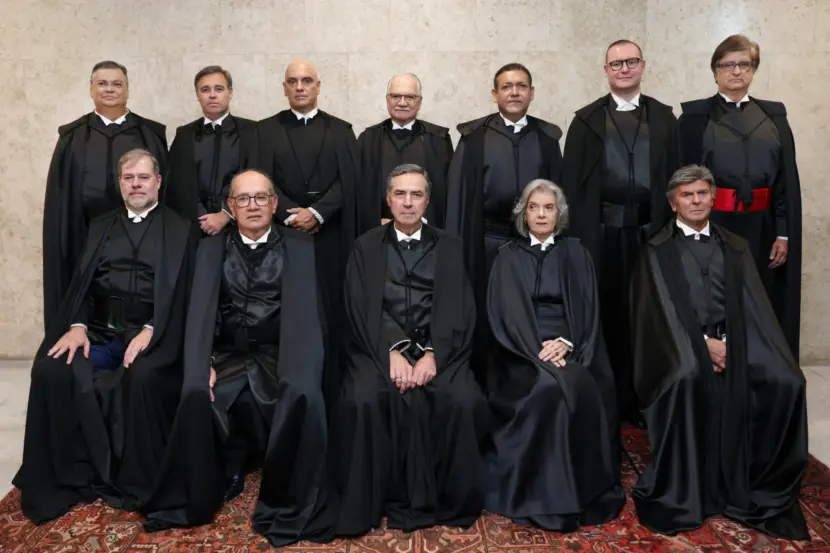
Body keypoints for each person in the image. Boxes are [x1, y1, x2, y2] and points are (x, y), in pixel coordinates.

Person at [142, 170, 335, 546]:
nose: (253, 206)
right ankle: (211, 481)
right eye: (243, 199)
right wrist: (203, 365)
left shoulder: (301, 247)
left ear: (274, 204)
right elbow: (199, 316)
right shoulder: (210, 250)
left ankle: (285, 491)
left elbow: (313, 318)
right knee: (195, 393)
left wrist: (301, 365)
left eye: (261, 197)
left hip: (281, 353)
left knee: (303, 394)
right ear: (230, 206)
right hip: (227, 354)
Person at [15, 149, 198, 523]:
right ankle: (67, 474)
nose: (136, 185)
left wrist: (152, 329)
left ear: (158, 182)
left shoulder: (181, 229)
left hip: (153, 334)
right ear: (119, 183)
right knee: (51, 368)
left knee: (144, 377)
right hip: (99, 333)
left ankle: (136, 480)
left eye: (143, 177)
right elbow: (81, 287)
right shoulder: (100, 226)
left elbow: (186, 295)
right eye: (128, 178)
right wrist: (78, 326)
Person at [630, 165, 808, 540]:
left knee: (786, 379)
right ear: (673, 203)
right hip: (680, 344)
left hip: (735, 341)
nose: (695, 201)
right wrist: (702, 346)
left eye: (701, 193)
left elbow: (754, 310)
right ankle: (689, 486)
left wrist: (732, 347)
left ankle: (759, 479)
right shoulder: (656, 251)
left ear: (713, 198)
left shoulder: (735, 246)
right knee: (685, 377)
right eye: (687, 195)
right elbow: (658, 318)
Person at [333, 164, 490, 535]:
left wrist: (433, 354)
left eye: (416, 194)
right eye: (400, 194)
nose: (407, 202)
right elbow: (359, 306)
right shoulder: (365, 246)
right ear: (388, 199)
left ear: (427, 201)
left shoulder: (450, 246)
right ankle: (371, 498)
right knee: (363, 398)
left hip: (440, 348)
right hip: (377, 346)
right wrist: (392, 351)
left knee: (463, 400)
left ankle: (450, 499)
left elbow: (460, 308)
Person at [485, 179, 624, 530]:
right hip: (520, 351)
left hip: (571, 347)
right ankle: (542, 494)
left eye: (549, 207)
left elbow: (588, 309)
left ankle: (573, 491)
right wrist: (536, 350)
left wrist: (568, 342)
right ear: (524, 214)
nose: (542, 214)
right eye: (534, 207)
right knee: (546, 387)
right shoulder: (507, 256)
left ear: (559, 214)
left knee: (571, 384)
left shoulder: (576, 253)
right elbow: (505, 314)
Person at [562, 40, 679, 425]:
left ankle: (645, 397)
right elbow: (571, 187)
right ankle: (606, 397)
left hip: (652, 234)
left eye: (631, 62)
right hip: (602, 237)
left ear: (643, 65)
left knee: (648, 317)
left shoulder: (665, 119)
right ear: (606, 70)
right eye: (616, 63)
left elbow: (677, 179)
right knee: (608, 316)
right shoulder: (586, 121)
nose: (624, 69)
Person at [678, 35, 802, 359]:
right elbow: (683, 180)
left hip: (762, 229)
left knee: (759, 302)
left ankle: (759, 368)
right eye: (728, 64)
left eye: (744, 64)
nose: (736, 71)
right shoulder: (694, 120)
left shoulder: (774, 119)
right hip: (714, 224)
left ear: (753, 70)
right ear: (715, 71)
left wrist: (783, 233)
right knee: (715, 299)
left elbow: (783, 183)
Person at [446, 63, 562, 375]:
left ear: (532, 93)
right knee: (488, 319)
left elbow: (558, 199)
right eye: (507, 86)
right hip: (487, 245)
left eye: (521, 86)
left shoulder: (547, 138)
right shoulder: (474, 138)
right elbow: (458, 199)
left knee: (530, 317)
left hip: (532, 246)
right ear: (494, 94)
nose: (514, 92)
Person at [257, 59, 359, 407]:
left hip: (330, 237)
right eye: (292, 81)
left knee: (330, 313)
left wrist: (317, 212)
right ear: (284, 88)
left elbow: (350, 181)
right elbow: (261, 181)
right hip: (282, 237)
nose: (299, 87)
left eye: (306, 81)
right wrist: (291, 214)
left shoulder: (342, 131)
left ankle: (332, 395)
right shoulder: (264, 131)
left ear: (318, 86)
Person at [42, 61, 168, 331]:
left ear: (127, 90)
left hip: (140, 237)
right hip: (83, 236)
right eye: (102, 83)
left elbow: (163, 191)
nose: (109, 89)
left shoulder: (150, 134)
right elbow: (59, 197)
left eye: (116, 84)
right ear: (91, 89)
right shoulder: (72, 137)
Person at [165, 65, 258, 233]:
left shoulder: (252, 131)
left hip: (241, 226)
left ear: (230, 92)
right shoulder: (184, 134)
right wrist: (202, 218)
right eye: (205, 89)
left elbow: (258, 178)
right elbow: (177, 182)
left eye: (219, 89)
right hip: (194, 227)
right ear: (197, 95)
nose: (212, 95)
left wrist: (226, 214)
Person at [357, 73, 453, 230]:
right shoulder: (368, 139)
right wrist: (374, 221)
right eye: (396, 96)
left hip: (427, 232)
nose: (402, 103)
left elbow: (449, 191)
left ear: (419, 101)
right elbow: (358, 191)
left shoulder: (439, 139)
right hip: (379, 232)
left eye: (410, 97)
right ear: (387, 99)